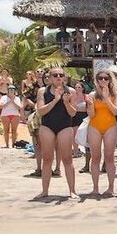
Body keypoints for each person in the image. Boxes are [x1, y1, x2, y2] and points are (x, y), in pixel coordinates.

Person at [35, 67, 77, 199]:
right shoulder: (43, 91)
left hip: (65, 125)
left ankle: (72, 190)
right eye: (55, 75)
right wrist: (55, 100)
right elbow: (41, 111)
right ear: (50, 78)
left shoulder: (71, 91)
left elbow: (73, 113)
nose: (58, 77)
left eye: (61, 75)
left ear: (64, 77)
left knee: (67, 159)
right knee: (47, 159)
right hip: (47, 125)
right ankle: (45, 191)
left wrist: (65, 102)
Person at [86, 69, 117, 196]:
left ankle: (111, 187)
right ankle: (95, 187)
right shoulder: (92, 95)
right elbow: (91, 115)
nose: (103, 80)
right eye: (100, 78)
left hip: (110, 125)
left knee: (109, 157)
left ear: (110, 80)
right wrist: (90, 105)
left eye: (106, 78)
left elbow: (116, 112)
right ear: (97, 80)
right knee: (95, 157)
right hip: (94, 126)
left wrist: (107, 99)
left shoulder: (115, 94)